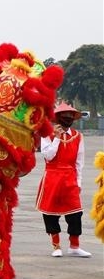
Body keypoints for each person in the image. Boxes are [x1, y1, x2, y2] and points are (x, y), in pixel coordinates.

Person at [36, 103, 91, 257]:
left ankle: (74, 245)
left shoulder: (78, 136)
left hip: (70, 177)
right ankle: (56, 245)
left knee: (75, 213)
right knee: (50, 213)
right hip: (52, 176)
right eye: (64, 116)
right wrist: (57, 139)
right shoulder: (47, 134)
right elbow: (48, 155)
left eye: (70, 116)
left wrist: (79, 182)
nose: (68, 118)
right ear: (58, 118)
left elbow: (80, 162)